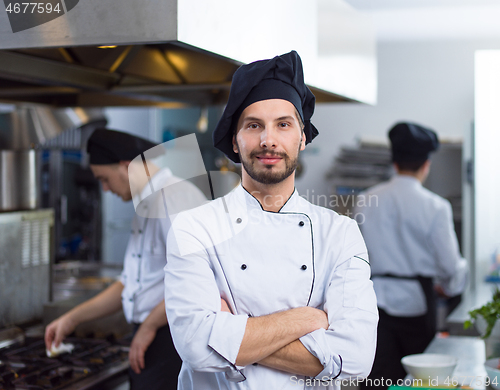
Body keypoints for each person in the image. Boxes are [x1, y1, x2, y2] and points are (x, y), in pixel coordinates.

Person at [164, 51, 378, 390]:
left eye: (283, 124)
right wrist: (306, 319)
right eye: (253, 125)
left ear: (302, 137)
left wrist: (229, 330)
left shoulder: (339, 233)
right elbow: (194, 345)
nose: (268, 140)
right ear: (234, 141)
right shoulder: (194, 227)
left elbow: (355, 360)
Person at [44, 128, 207, 390]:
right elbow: (128, 284)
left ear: (125, 166)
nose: (105, 189)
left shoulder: (174, 199)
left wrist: (149, 327)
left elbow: (197, 280)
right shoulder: (147, 204)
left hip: (170, 342)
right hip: (151, 339)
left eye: (105, 179)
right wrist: (72, 319)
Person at [355, 122, 468, 389]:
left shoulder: (365, 199)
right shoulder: (436, 207)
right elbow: (451, 267)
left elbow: (355, 258)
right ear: (426, 164)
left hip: (373, 302)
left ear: (394, 161)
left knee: (377, 378)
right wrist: (450, 288)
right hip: (417, 302)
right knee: (419, 381)